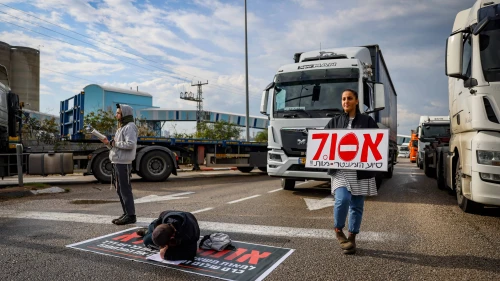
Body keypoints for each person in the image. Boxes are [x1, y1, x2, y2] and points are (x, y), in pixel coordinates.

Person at [324, 89, 379, 255]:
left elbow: (377, 143)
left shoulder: (367, 121)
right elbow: (324, 141)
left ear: (356, 101)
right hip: (341, 170)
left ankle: (352, 237)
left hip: (360, 170)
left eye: (349, 98)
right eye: (343, 99)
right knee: (342, 199)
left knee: (357, 205)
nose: (345, 101)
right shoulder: (334, 122)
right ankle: (338, 230)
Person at [101, 104, 138, 225]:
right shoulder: (121, 128)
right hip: (117, 162)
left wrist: (114, 143)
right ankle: (126, 213)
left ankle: (131, 215)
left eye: (118, 113)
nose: (116, 115)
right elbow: (115, 146)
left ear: (125, 114)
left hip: (123, 163)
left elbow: (130, 144)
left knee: (125, 189)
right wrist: (108, 143)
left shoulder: (130, 127)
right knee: (119, 189)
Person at [136, 210, 200, 261]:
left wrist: (166, 255)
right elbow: (158, 228)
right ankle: (148, 231)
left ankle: (148, 232)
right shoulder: (164, 217)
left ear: (172, 238)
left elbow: (191, 253)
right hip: (161, 223)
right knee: (146, 240)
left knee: (177, 249)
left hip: (187, 222)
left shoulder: (189, 233)